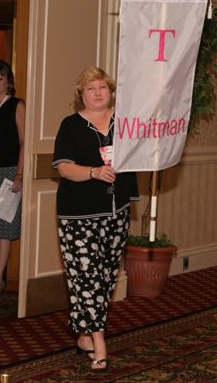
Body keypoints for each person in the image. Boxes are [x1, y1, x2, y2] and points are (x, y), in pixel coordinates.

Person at [52, 66, 138, 373]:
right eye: (91, 88)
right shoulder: (71, 125)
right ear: (81, 95)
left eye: (102, 87)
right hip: (78, 214)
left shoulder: (125, 123)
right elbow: (63, 168)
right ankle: (100, 342)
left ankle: (85, 334)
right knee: (85, 276)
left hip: (116, 212)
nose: (98, 92)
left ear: (110, 91)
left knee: (105, 276)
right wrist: (93, 172)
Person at [0, 59, 25, 299]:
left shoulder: (16, 105)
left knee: (2, 228)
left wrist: (19, 173)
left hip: (7, 172)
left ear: (8, 81)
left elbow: (24, 142)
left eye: (0, 78)